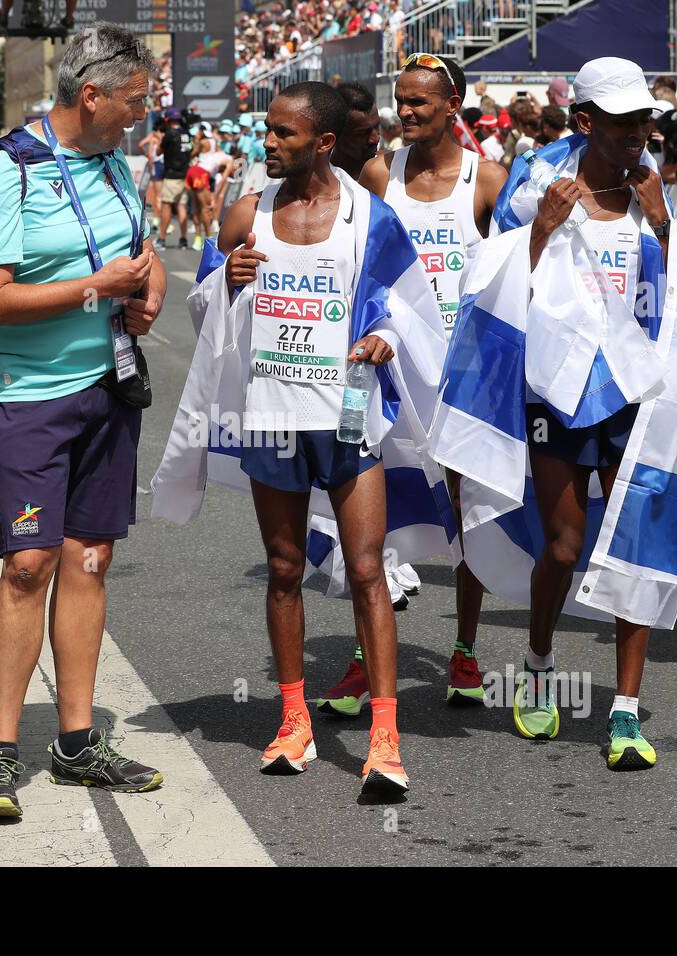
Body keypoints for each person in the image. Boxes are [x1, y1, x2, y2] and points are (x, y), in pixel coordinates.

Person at [158, 80, 455, 797]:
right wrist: (226, 280)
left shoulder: (368, 217)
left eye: (284, 135)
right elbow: (202, 313)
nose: (269, 143)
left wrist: (382, 335)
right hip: (273, 412)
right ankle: (294, 720)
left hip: (347, 412)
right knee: (285, 567)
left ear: (323, 143)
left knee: (365, 569)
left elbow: (408, 307)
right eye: (268, 131)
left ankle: (384, 735)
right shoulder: (246, 214)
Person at [434, 57, 677, 772]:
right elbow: (490, 284)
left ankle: (622, 710)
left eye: (645, 122)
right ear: (585, 122)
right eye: (623, 124)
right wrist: (537, 234)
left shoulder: (654, 193)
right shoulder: (538, 189)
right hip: (558, 392)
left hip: (634, 395)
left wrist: (662, 228)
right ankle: (538, 660)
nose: (639, 136)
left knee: (637, 535)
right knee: (562, 544)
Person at [0, 23, 166, 818]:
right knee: (29, 565)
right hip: (32, 392)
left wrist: (141, 294)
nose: (141, 117)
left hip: (108, 389)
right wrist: (97, 285)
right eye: (134, 103)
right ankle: (2, 752)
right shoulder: (4, 167)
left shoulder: (118, 162)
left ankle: (78, 742)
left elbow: (136, 258)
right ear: (91, 95)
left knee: (89, 561)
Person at [319, 52, 507, 715]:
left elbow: (516, 282)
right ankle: (366, 658)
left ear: (452, 106)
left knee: (465, 519)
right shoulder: (379, 173)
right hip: (390, 372)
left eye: (419, 102)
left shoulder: (486, 182)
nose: (405, 112)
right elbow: (354, 260)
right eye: (400, 101)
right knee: (374, 511)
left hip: (461, 379)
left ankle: (464, 651)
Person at [329, 81, 380, 180]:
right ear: (336, 136)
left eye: (377, 126)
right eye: (363, 133)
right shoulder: (318, 182)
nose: (375, 139)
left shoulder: (392, 171)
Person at [156, 107, 190, 250]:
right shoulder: (187, 134)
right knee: (181, 206)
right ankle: (183, 239)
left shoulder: (169, 134)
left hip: (171, 175)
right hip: (184, 174)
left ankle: (161, 239)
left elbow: (159, 151)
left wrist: (160, 138)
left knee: (166, 206)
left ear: (168, 120)